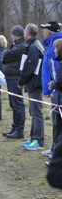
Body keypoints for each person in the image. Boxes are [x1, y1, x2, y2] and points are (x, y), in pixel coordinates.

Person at [19, 23, 45, 150]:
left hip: (35, 84)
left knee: (37, 113)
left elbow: (30, 67)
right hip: (32, 83)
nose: (24, 34)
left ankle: (38, 140)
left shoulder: (34, 47)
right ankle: (33, 138)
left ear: (27, 33)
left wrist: (21, 81)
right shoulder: (33, 45)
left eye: (24, 32)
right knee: (33, 112)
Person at [39, 21, 62, 162]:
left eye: (44, 30)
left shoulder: (58, 45)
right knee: (55, 123)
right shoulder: (49, 46)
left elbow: (57, 71)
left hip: (58, 91)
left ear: (49, 31)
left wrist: (53, 87)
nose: (42, 32)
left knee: (58, 124)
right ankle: (54, 147)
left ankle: (57, 152)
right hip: (54, 89)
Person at [1, 25, 27, 139]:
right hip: (10, 77)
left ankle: (19, 129)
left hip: (15, 78)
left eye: (12, 34)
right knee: (13, 104)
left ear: (16, 35)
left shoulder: (21, 46)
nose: (11, 36)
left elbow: (6, 55)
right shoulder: (16, 45)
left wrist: (6, 54)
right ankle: (15, 127)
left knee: (17, 104)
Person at [46, 38, 62, 188]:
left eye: (56, 48)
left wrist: (54, 84)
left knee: (58, 129)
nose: (54, 50)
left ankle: (56, 156)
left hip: (60, 100)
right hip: (57, 96)